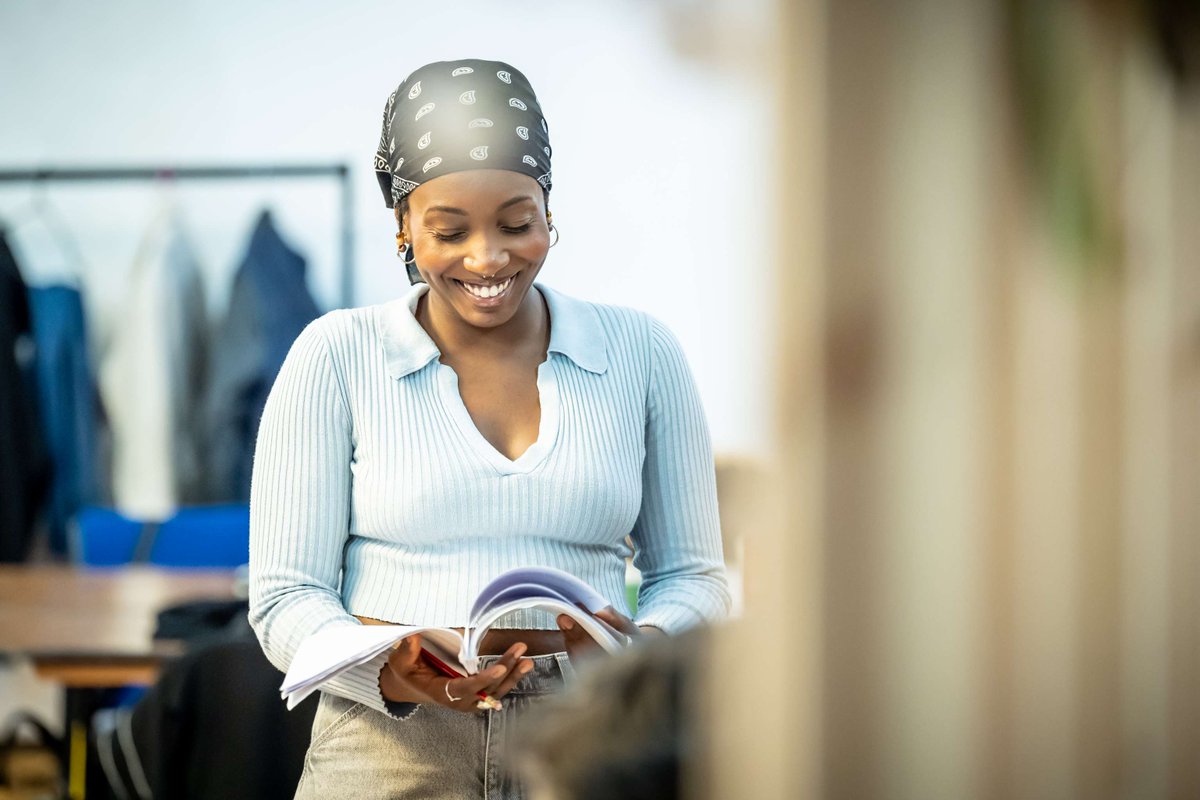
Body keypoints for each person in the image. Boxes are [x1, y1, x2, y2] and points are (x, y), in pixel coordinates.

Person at [248, 59, 730, 800]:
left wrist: (642, 647)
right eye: (449, 231)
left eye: (515, 223)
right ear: (403, 225)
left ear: (547, 209)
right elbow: (285, 596)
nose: (487, 259)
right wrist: (390, 667)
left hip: (590, 730)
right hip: (391, 738)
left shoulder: (641, 351)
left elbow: (693, 577)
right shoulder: (335, 355)